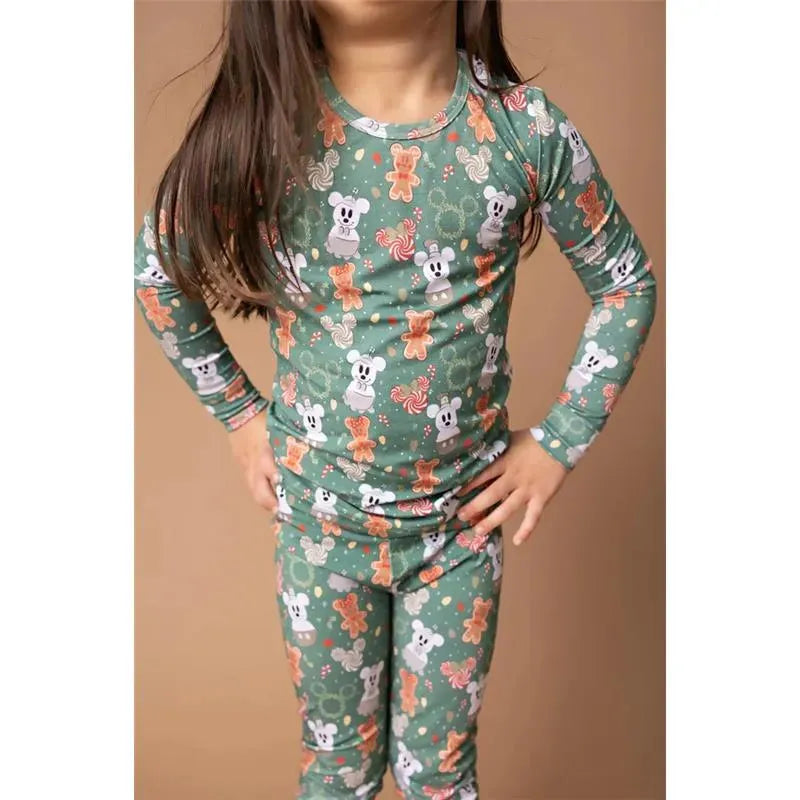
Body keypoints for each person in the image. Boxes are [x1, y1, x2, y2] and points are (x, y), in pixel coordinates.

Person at [133, 1, 657, 797]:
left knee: (439, 778)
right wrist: (239, 413)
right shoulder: (267, 132)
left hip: (457, 535)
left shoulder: (523, 130)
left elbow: (625, 283)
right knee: (337, 768)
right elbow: (156, 274)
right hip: (320, 531)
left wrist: (561, 438)